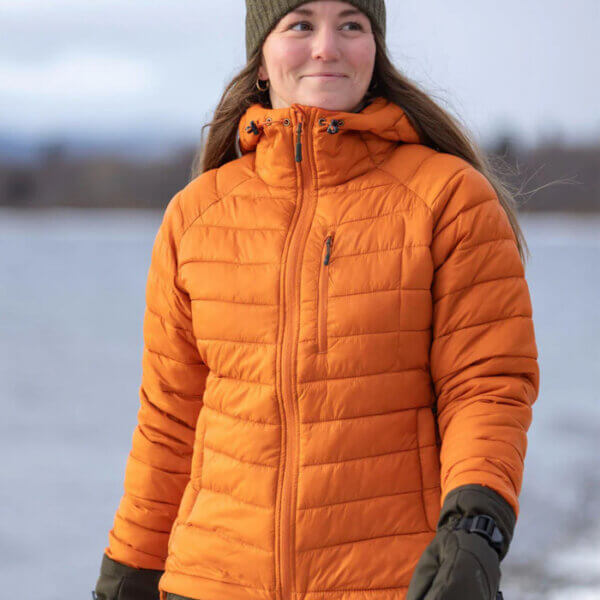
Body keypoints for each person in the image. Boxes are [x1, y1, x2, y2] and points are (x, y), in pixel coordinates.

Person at [93, 1, 540, 599]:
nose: (326, 47)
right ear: (262, 58)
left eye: (351, 24)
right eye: (300, 23)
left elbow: (485, 386)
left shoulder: (449, 198)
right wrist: (127, 571)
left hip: (391, 583)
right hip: (209, 582)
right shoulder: (196, 215)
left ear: (374, 51)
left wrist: (475, 529)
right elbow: (170, 419)